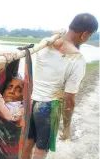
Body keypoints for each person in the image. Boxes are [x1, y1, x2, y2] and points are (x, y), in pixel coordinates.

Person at [22, 13, 98, 159]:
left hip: (31, 102)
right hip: (49, 107)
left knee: (28, 142)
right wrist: (67, 127)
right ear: (84, 34)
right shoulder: (77, 59)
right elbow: (69, 98)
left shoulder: (46, 42)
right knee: (41, 149)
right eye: (89, 36)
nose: (87, 38)